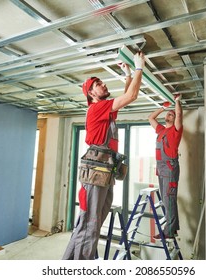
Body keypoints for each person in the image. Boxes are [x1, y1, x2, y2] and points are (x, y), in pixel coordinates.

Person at [62, 51, 145, 260]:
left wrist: (127, 75)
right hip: (96, 171)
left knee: (94, 220)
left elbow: (125, 99)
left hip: (104, 171)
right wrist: (138, 67)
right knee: (90, 223)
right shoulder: (97, 109)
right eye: (98, 84)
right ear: (91, 93)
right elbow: (132, 96)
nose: (104, 85)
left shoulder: (105, 110)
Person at [148, 95, 183, 239]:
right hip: (161, 168)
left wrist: (176, 102)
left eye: (172, 114)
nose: (170, 114)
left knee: (169, 200)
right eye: (169, 113)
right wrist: (163, 108)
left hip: (170, 167)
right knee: (166, 200)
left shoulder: (176, 130)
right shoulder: (161, 130)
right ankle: (172, 228)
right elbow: (151, 118)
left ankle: (168, 232)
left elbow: (179, 114)